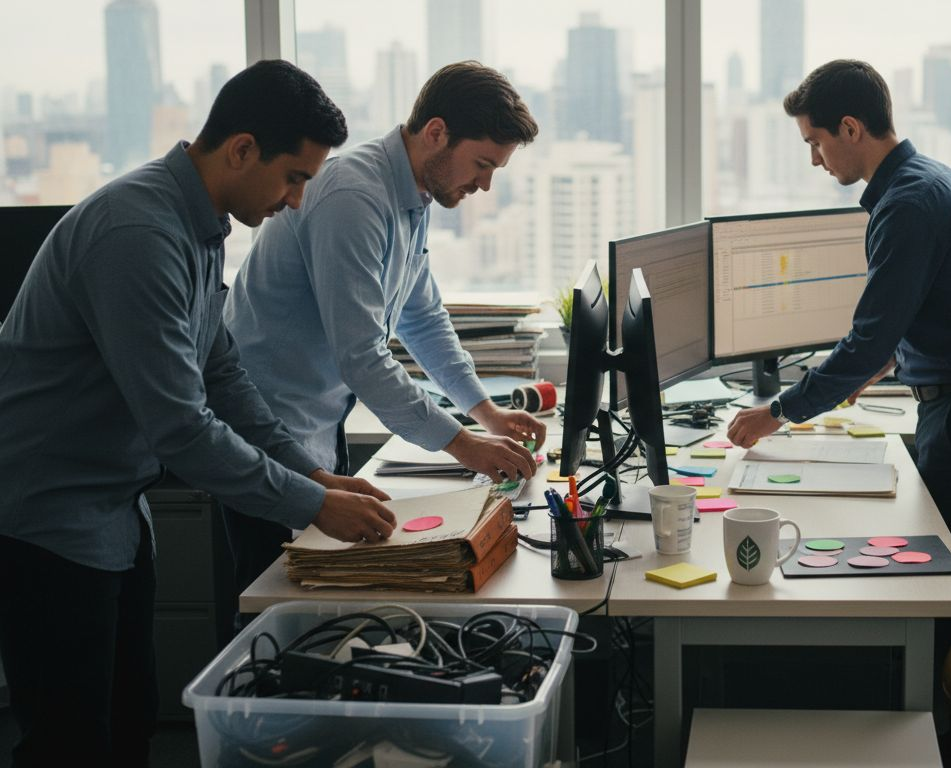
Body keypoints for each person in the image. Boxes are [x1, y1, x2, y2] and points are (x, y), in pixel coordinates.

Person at [0, 60, 396, 766]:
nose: (297, 201)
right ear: (242, 149)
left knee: (130, 724)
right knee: (70, 742)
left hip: (115, 515)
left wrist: (312, 474)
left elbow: (222, 376)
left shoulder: (200, 226)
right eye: (294, 177)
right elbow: (182, 426)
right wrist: (312, 504)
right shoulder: (137, 233)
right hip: (48, 520)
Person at [726, 60, 951, 619]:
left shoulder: (907, 205)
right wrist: (887, 361)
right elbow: (944, 308)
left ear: (851, 128)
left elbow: (868, 339)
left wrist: (776, 412)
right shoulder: (929, 178)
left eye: (816, 142)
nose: (815, 159)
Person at [221, 60, 546, 605]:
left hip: (317, 424)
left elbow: (422, 316)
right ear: (436, 133)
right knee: (276, 607)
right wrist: (464, 445)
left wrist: (484, 411)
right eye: (482, 164)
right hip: (269, 433)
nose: (485, 184)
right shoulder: (355, 197)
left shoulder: (412, 196)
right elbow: (363, 356)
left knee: (324, 600)